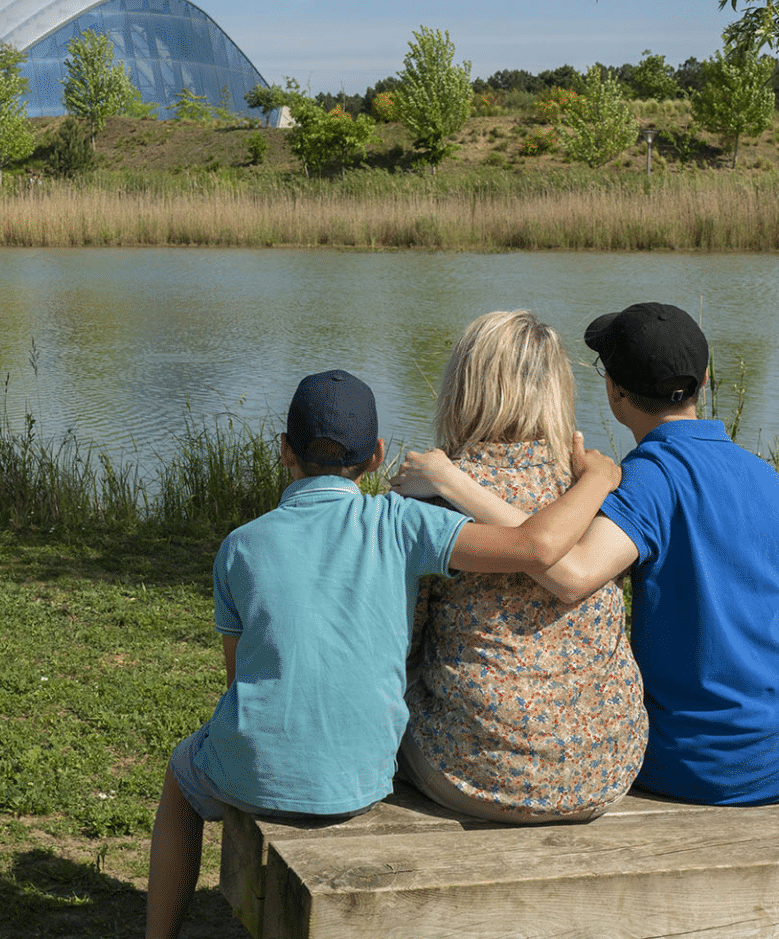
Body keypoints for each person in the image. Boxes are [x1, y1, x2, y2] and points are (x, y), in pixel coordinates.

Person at [146, 368, 621, 939]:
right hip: (365, 779)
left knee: (181, 775)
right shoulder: (400, 523)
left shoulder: (240, 546)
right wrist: (599, 478)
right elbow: (534, 546)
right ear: (375, 456)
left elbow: (239, 678)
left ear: (283, 452)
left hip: (258, 771)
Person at [392, 302, 779, 806]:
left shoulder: (648, 481)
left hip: (699, 764)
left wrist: (454, 483)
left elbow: (570, 570)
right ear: (704, 379)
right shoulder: (769, 480)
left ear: (615, 392)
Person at [401, 310, 646, 823]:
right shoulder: (591, 490)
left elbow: (399, 639)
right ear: (556, 389)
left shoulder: (428, 496)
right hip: (603, 767)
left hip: (475, 772)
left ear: (464, 385)